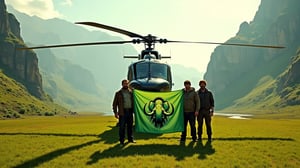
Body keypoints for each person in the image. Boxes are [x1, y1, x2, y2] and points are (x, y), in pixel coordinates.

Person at [112, 79, 136, 145]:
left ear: (128, 84)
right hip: (122, 113)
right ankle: (121, 141)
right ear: (122, 84)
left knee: (130, 126)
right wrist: (115, 113)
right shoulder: (118, 93)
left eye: (127, 83)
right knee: (122, 127)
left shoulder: (131, 93)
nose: (126, 84)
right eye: (124, 83)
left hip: (130, 112)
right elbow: (114, 104)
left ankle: (130, 139)